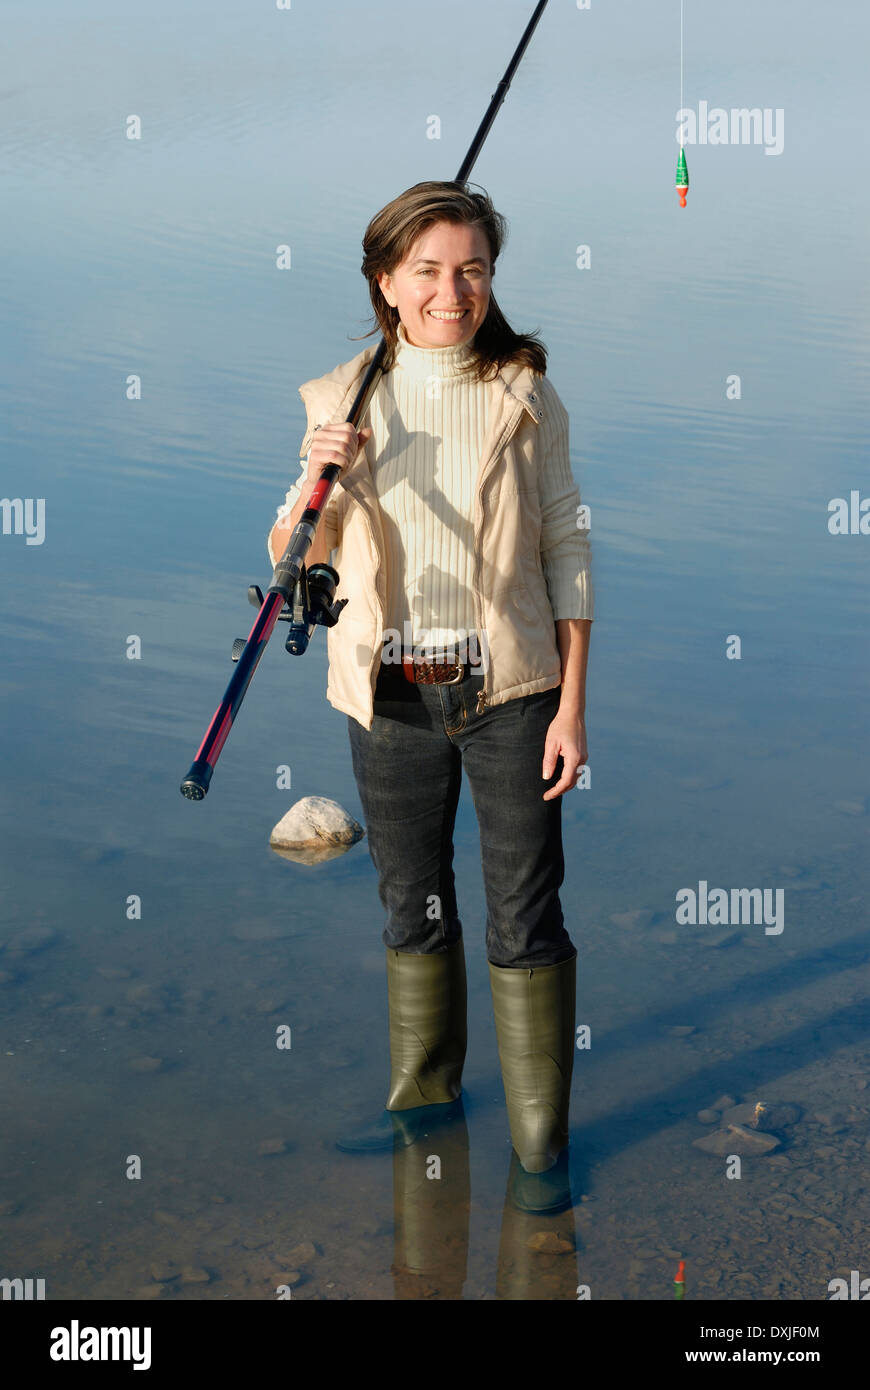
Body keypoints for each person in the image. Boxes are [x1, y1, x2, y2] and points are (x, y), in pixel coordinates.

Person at [267, 181, 593, 1213]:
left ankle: (541, 1152)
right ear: (386, 281)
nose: (454, 291)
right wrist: (316, 484)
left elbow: (568, 548)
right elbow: (291, 561)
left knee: (523, 918)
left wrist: (574, 707)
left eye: (474, 269)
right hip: (391, 698)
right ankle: (425, 1113)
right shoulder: (337, 396)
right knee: (412, 907)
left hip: (514, 691)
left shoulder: (526, 391)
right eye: (430, 271)